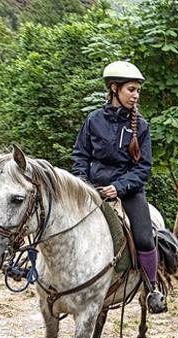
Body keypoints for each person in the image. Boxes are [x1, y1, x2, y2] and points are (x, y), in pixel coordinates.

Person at [71, 61, 167, 313]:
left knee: (145, 237)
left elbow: (143, 168)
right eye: (131, 90)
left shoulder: (141, 127)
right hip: (92, 188)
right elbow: (80, 155)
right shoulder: (93, 120)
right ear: (114, 88)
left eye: (138, 91)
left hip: (129, 191)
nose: (136, 95)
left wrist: (119, 187)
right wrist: (83, 184)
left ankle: (152, 287)